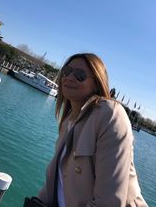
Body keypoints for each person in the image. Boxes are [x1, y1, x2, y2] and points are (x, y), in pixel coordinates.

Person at [37, 53, 148, 207]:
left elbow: (109, 202)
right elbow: (55, 183)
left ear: (96, 83)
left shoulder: (110, 114)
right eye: (66, 71)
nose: (69, 78)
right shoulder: (68, 122)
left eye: (80, 75)